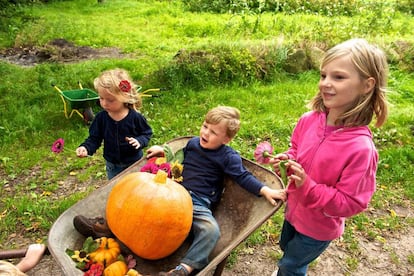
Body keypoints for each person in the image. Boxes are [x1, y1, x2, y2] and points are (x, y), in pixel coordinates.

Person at [74, 106, 287, 275]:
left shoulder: (227, 156)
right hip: (171, 194)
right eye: (205, 126)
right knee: (136, 205)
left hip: (196, 204)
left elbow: (242, 176)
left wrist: (264, 189)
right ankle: (104, 227)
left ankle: (184, 269)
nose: (205, 133)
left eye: (213, 132)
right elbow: (181, 153)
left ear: (226, 139)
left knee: (211, 230)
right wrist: (163, 150)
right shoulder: (194, 143)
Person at [269, 38, 389, 276]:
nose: (325, 83)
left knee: (291, 264)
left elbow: (351, 202)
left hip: (318, 227)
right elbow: (297, 149)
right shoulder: (309, 120)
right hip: (294, 211)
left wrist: (308, 187)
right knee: (286, 247)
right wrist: (287, 160)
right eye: (323, 75)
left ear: (367, 85)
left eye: (338, 77)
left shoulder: (360, 148)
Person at [76, 68, 153, 180]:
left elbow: (146, 133)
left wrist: (139, 141)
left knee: (134, 188)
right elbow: (94, 138)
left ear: (124, 97)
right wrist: (86, 148)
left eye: (110, 100)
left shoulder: (135, 117)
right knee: (115, 188)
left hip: (134, 163)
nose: (104, 103)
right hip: (113, 166)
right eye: (101, 98)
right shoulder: (101, 118)